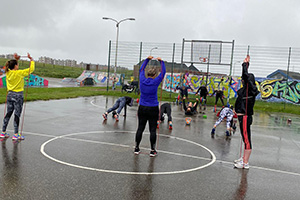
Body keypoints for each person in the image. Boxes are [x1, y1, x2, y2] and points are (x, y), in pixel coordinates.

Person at [134, 56, 166, 157]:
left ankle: (136, 148)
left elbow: (141, 69)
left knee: (140, 128)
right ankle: (152, 150)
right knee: (152, 129)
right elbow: (163, 72)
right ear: (155, 75)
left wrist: (147, 59)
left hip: (142, 107)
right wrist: (161, 62)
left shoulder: (142, 79)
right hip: (153, 108)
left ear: (147, 74)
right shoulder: (156, 81)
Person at [1, 53, 35, 140]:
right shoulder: (19, 73)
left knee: (8, 113)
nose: (18, 66)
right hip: (18, 96)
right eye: (17, 64)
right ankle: (16, 134)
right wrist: (31, 60)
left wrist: (16, 59)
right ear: (16, 66)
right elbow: (31, 69)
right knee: (17, 114)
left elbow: (9, 65)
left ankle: (3, 132)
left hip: (10, 95)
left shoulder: (8, 72)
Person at [234, 55, 259, 169]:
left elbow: (246, 76)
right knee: (245, 138)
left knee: (247, 139)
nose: (242, 80)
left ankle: (245, 163)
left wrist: (245, 64)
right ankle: (243, 158)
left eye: (244, 79)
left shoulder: (250, 90)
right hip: (242, 117)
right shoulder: (246, 90)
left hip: (245, 117)